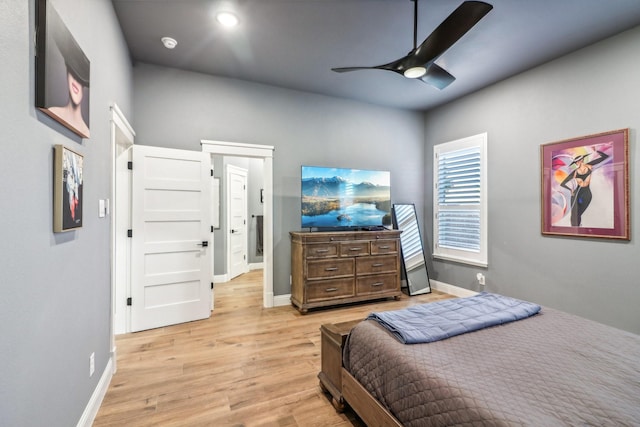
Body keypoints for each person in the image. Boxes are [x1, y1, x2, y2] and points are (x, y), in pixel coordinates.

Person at [560, 148, 609, 226]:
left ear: (582, 160)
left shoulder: (589, 165)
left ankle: (578, 229)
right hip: (576, 194)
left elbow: (604, 157)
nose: (577, 163)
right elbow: (562, 183)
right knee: (574, 215)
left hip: (586, 193)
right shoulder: (575, 172)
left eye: (578, 161)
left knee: (579, 213)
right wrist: (570, 189)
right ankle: (576, 229)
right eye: (576, 162)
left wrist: (595, 150)